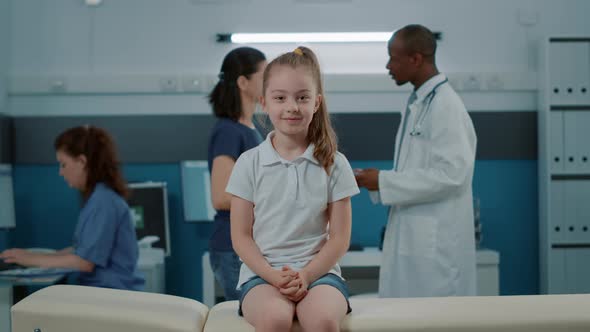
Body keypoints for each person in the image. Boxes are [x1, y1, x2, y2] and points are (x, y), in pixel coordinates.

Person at [227, 47, 359, 331]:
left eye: (302, 97)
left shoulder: (335, 164)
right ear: (264, 103)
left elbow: (339, 239)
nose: (292, 106)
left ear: (316, 103)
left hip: (320, 274)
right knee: (275, 319)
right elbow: (240, 236)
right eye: (280, 98)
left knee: (323, 321)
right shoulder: (248, 164)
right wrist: (273, 276)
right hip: (261, 275)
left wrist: (307, 274)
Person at [355, 24, 477, 298]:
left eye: (393, 57)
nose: (388, 65)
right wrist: (378, 180)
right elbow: (419, 171)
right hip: (416, 239)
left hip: (436, 249)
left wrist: (383, 181)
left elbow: (453, 175)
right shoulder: (421, 102)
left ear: (416, 59)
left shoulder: (446, 105)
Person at [0, 126, 144, 291]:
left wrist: (30, 260)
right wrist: (33, 257)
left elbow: (84, 262)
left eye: (63, 164)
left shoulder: (103, 202)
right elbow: (82, 250)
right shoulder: (99, 198)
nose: (60, 172)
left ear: (82, 162)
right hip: (105, 293)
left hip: (110, 296)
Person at [207, 47, 267, 301]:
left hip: (249, 244)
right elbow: (221, 197)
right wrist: (274, 198)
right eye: (265, 74)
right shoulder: (229, 132)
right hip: (233, 248)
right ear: (243, 82)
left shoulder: (250, 129)